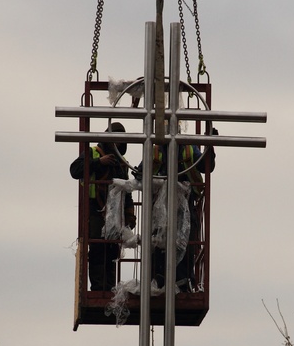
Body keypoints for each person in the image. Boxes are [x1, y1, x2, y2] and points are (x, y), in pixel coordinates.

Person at [140, 128, 217, 291]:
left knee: (185, 243)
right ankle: (158, 279)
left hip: (185, 205)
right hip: (161, 207)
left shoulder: (189, 149)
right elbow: (140, 173)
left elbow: (206, 166)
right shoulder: (156, 151)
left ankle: (182, 281)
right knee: (160, 244)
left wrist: (210, 145)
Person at [69, 122, 136, 291]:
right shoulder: (92, 153)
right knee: (98, 248)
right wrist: (99, 162)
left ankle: (110, 288)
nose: (118, 144)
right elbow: (74, 170)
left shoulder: (122, 163)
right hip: (95, 210)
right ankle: (99, 288)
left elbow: (127, 190)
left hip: (115, 213)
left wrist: (130, 215)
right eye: (116, 140)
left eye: (121, 141)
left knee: (112, 250)